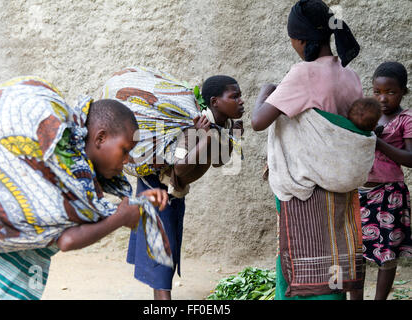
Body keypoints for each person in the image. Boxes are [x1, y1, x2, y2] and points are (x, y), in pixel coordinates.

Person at [0, 77, 169, 299]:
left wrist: (135, 205)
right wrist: (121, 218)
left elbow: (91, 211)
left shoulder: (77, 179)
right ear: (100, 138)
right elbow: (68, 239)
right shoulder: (69, 173)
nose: (127, 160)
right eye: (125, 150)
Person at [252, 0, 367, 300]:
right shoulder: (349, 76)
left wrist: (266, 91)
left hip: (307, 188)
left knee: (301, 260)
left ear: (301, 39)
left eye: (291, 38)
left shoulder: (302, 75)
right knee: (335, 252)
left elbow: (257, 121)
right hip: (339, 187)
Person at [125, 75, 244, 300]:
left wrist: (234, 135)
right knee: (162, 252)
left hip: (173, 193)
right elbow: (180, 167)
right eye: (234, 96)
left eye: (240, 96)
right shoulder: (195, 125)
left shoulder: (222, 124)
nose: (241, 101)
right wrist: (205, 138)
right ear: (215, 101)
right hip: (157, 190)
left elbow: (219, 160)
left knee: (166, 248)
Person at [351, 62, 412, 300]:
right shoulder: (367, 115)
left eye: (391, 92)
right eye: (377, 92)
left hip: (389, 194)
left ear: (403, 92)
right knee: (357, 253)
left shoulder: (405, 119)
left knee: (387, 252)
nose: (383, 98)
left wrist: (378, 141)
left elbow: (410, 158)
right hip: (360, 193)